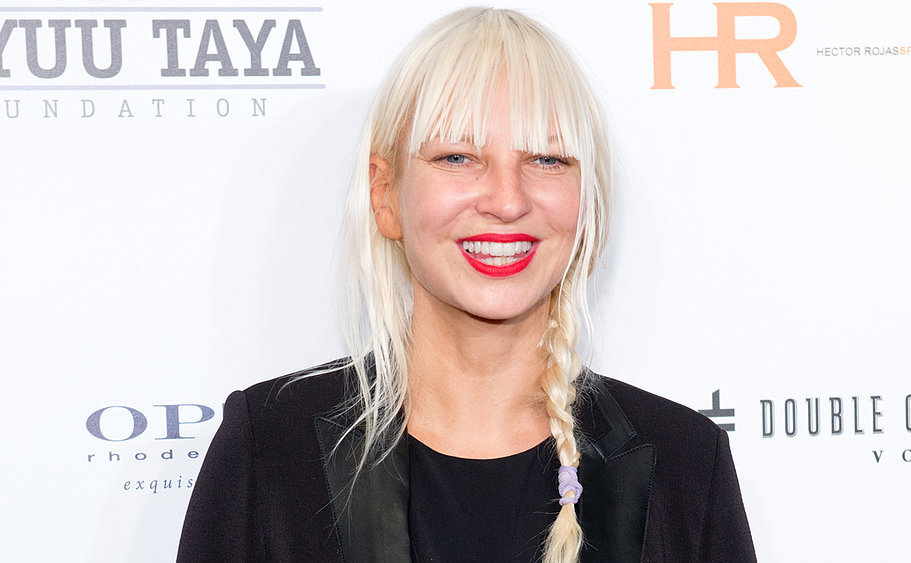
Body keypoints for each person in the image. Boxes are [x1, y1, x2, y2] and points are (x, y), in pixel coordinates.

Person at [177, 7, 755, 563]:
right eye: (457, 157)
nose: (507, 201)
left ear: (588, 203)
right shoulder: (269, 448)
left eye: (547, 160)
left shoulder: (686, 462)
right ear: (385, 195)